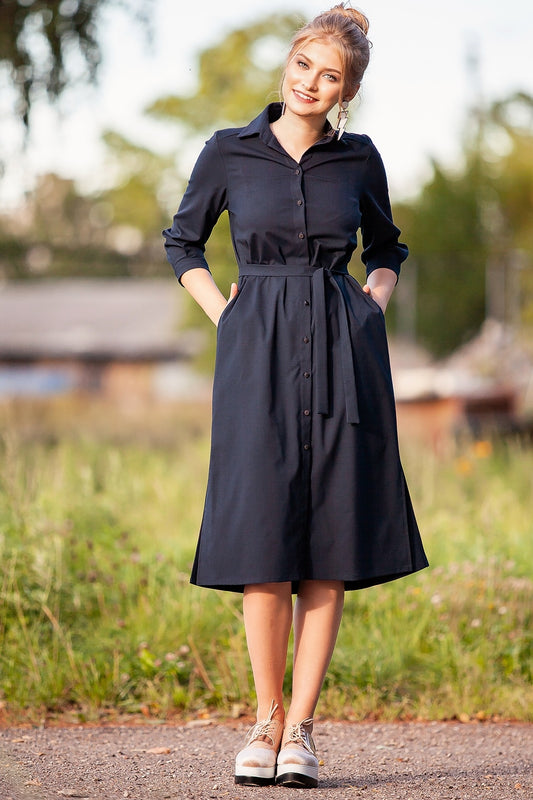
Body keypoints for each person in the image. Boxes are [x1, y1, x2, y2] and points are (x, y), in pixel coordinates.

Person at [163, 2, 428, 789]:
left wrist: (369, 306)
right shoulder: (228, 151)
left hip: (343, 350)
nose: (312, 82)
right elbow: (183, 239)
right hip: (257, 352)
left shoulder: (360, 160)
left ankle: (302, 734)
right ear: (288, 64)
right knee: (262, 549)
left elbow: (386, 248)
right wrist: (226, 316)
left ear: (345, 90)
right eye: (304, 65)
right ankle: (263, 720)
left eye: (330, 75)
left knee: (328, 553)